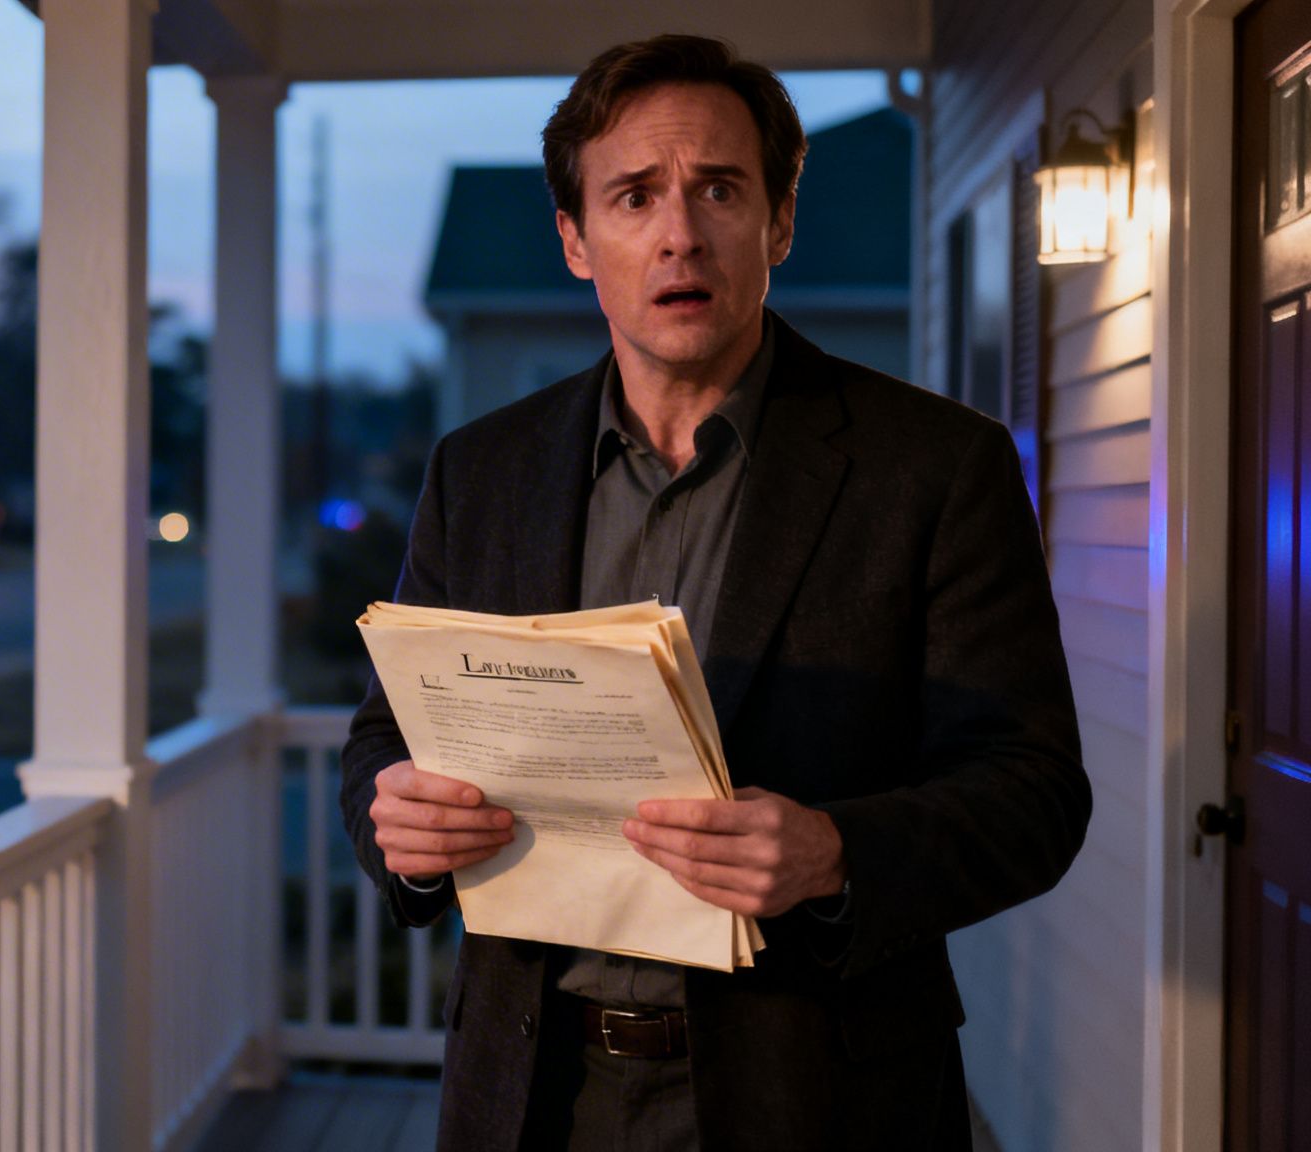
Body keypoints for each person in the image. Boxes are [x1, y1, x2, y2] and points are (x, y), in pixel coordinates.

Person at [339, 34, 1092, 1152]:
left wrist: (835, 852)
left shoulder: (933, 467)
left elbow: (1034, 794)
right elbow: (381, 737)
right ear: (574, 241)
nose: (678, 233)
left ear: (777, 223)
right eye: (633, 196)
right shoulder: (479, 469)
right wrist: (388, 816)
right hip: (530, 1091)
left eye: (717, 191)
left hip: (821, 1092)